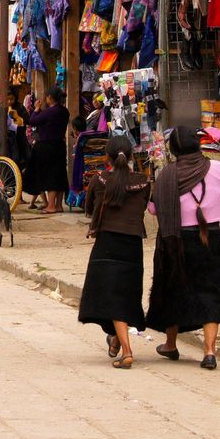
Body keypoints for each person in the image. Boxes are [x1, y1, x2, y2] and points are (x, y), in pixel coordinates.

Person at [146, 126, 220, 371]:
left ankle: (170, 343)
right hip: (212, 238)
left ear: (174, 149)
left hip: (176, 241)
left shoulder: (166, 174)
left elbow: (153, 209)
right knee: (212, 291)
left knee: (175, 289)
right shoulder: (218, 168)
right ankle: (209, 352)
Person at [78, 137, 150, 369]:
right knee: (125, 296)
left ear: (107, 157)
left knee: (110, 297)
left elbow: (89, 210)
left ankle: (127, 351)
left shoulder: (99, 181)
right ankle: (116, 338)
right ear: (130, 156)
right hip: (132, 245)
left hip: (107, 243)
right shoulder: (144, 182)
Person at [26, 87, 70, 214]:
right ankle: (58, 205)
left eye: (46, 97)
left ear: (50, 98)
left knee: (50, 175)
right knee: (60, 174)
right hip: (60, 145)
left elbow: (33, 121)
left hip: (47, 146)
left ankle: (51, 206)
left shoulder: (50, 112)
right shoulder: (65, 111)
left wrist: (36, 109)